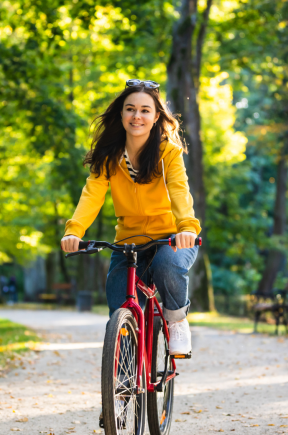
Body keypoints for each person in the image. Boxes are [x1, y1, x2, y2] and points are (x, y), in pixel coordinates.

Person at [60, 79, 201, 355]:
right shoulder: (108, 157)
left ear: (156, 116)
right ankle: (123, 379)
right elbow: (92, 195)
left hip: (172, 239)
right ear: (121, 114)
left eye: (145, 110)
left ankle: (176, 320)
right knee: (119, 304)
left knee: (166, 265)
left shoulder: (168, 153)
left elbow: (179, 192)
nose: (137, 116)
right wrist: (74, 231)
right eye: (130, 109)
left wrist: (186, 227)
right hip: (129, 241)